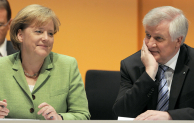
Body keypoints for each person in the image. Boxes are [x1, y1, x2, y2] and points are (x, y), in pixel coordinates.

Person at [0, 4, 90, 120]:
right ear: (20, 35)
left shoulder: (68, 66)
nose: (46, 38)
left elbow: (82, 115)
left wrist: (60, 118)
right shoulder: (1, 67)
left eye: (50, 33)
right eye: (39, 31)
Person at [113, 6, 194, 120]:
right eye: (148, 35)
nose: (150, 44)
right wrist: (149, 73)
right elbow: (122, 112)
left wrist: (171, 116)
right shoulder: (131, 65)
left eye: (159, 38)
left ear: (178, 41)